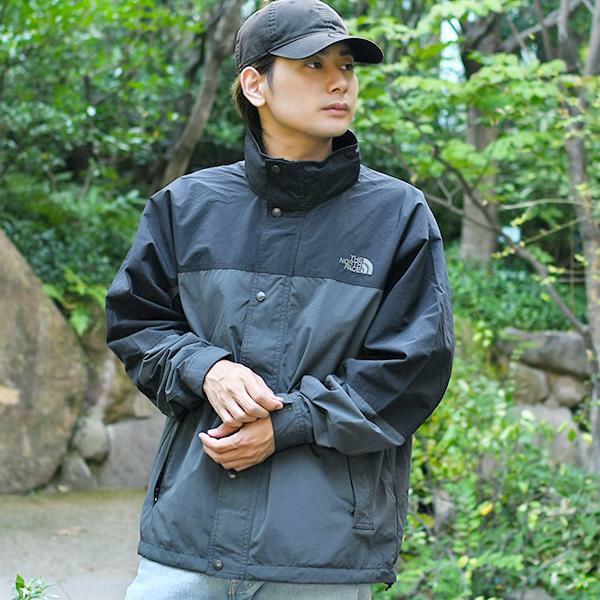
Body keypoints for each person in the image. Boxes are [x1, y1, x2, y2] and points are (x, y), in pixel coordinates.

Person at [105, 1, 454, 598]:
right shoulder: (186, 207)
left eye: (346, 66)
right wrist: (204, 367)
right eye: (314, 64)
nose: (339, 82)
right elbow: (137, 322)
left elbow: (411, 366)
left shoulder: (398, 216)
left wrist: (290, 422)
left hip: (322, 547)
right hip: (188, 535)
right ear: (254, 84)